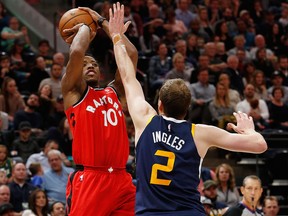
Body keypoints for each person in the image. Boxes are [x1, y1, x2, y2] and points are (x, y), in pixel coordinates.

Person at [109, 2, 267, 215]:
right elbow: (260, 145)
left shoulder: (145, 119)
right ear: (188, 108)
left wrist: (116, 37)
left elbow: (128, 77)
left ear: (159, 105)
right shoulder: (200, 133)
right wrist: (248, 130)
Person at [60, 3, 138, 214]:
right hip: (91, 178)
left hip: (122, 178)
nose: (91, 65)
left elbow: (131, 56)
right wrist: (87, 23)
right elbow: (77, 50)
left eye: (93, 63)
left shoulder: (114, 93)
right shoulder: (73, 92)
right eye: (85, 64)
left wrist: (108, 27)